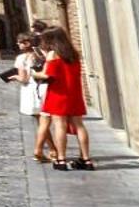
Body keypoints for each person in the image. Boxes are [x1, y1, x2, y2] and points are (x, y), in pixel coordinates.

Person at [34, 28, 94, 170]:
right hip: (74, 93)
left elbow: (48, 76)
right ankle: (86, 159)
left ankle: (61, 159)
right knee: (79, 126)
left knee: (59, 126)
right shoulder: (73, 54)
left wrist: (33, 74)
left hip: (58, 94)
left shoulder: (53, 54)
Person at [9, 34, 52, 161]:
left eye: (20, 42)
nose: (18, 44)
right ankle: (52, 150)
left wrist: (15, 77)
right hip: (44, 87)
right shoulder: (42, 53)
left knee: (42, 122)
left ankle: (43, 150)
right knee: (44, 122)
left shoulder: (21, 58)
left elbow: (24, 79)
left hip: (31, 91)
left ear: (26, 43)